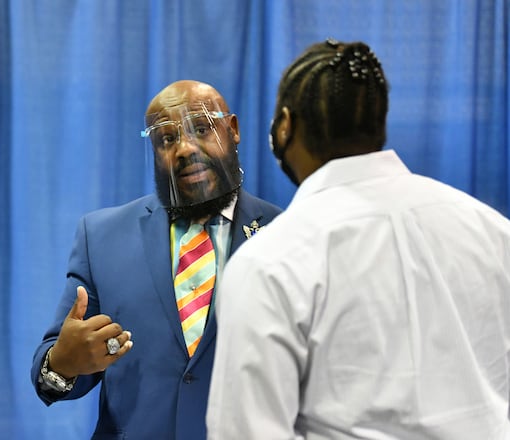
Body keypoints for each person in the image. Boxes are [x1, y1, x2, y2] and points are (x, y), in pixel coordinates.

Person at [206, 39, 510, 439]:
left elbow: (244, 431)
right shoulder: (492, 231)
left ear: (284, 125)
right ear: (379, 122)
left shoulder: (271, 260)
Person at [30, 80, 282, 439]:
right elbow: (54, 365)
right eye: (167, 139)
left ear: (233, 130)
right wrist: (62, 364)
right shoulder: (101, 236)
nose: (184, 148)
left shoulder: (284, 234)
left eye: (200, 128)